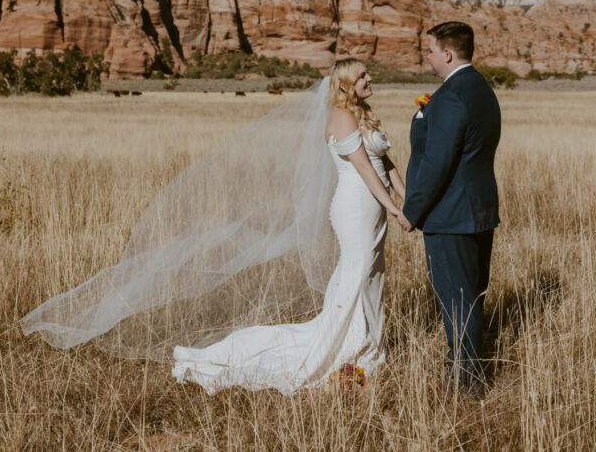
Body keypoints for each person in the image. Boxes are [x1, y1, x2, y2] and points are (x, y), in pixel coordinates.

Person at [171, 58, 405, 393]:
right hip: (356, 208)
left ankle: (370, 345)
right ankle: (351, 349)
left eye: (369, 72)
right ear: (344, 85)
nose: (370, 78)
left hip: (374, 207)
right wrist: (394, 209)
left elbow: (385, 161)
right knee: (359, 272)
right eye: (362, 76)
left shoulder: (363, 114)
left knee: (372, 275)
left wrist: (406, 197)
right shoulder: (341, 116)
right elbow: (365, 168)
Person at [397, 21, 501, 396]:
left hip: (450, 215)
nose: (427, 57)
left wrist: (412, 210)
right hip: (478, 211)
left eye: (429, 50)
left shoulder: (451, 95)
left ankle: (464, 383)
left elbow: (439, 162)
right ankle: (468, 374)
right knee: (471, 297)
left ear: (447, 53)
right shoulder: (482, 90)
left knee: (457, 302)